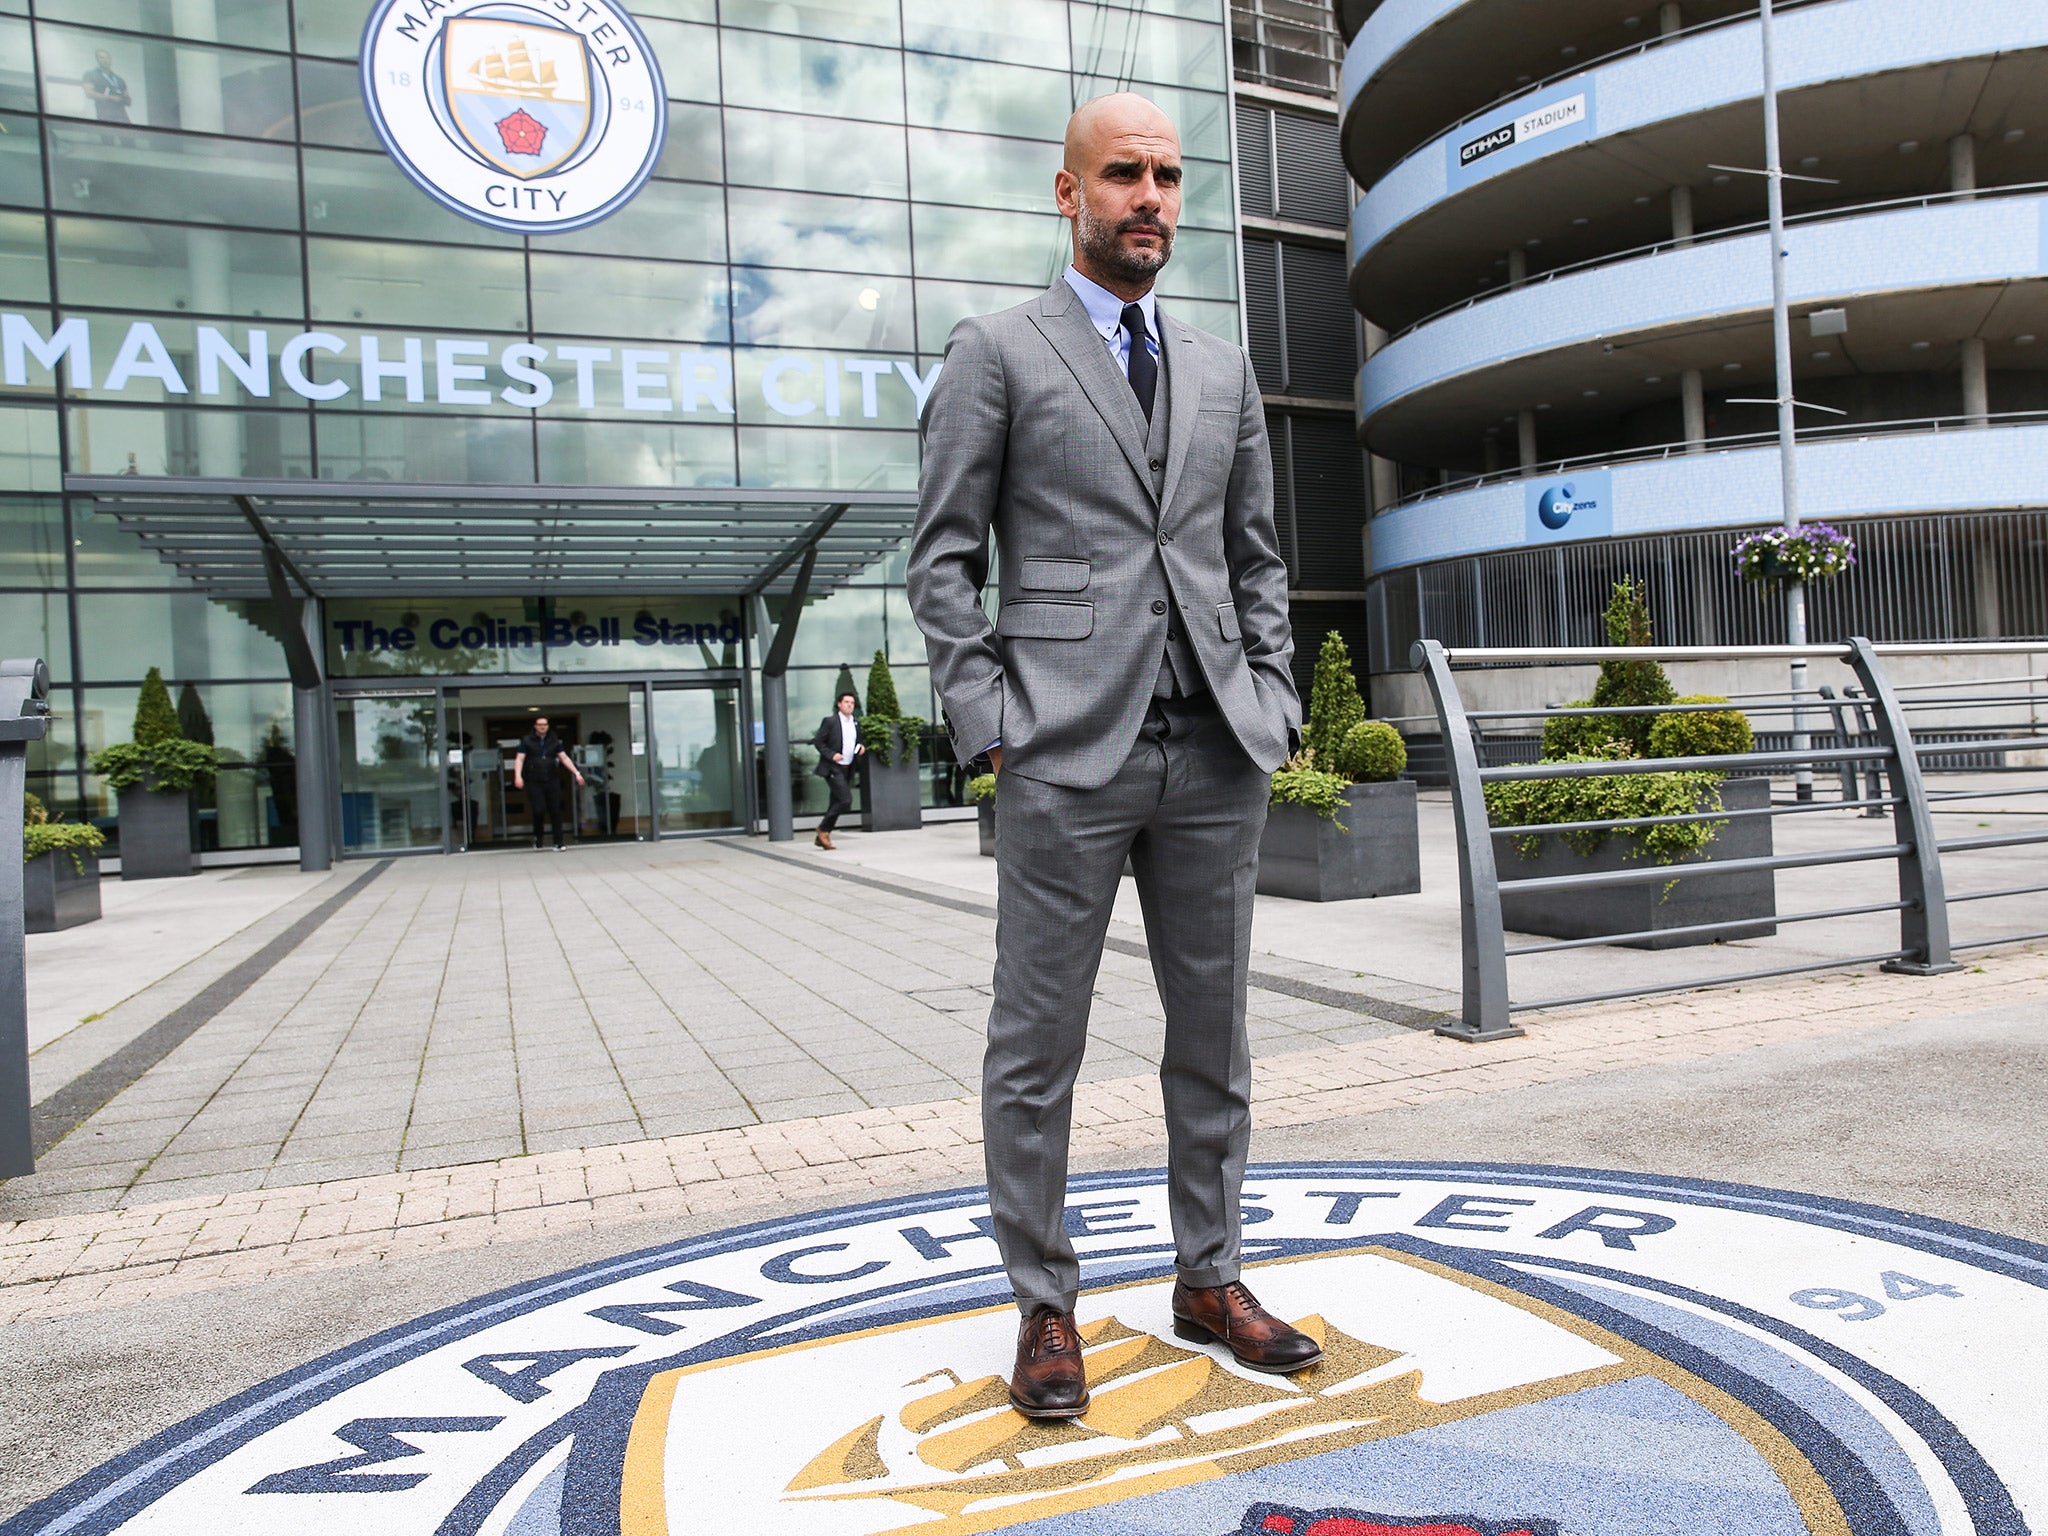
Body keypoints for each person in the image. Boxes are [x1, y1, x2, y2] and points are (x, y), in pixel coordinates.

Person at [906, 92, 1319, 1420]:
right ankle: (1044, 1303)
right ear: (1068, 192)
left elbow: (1256, 554)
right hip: (1064, 754)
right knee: (1038, 1048)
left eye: (1169, 177)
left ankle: (1212, 1276)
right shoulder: (997, 350)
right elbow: (944, 562)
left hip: (1213, 749)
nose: (1151, 197)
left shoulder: (1220, 367)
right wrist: (992, 729)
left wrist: (1273, 694)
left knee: (1216, 1036)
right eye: (1124, 175)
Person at [513, 715, 584, 851]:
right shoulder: (527, 741)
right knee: (538, 810)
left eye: (545, 724)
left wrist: (577, 773)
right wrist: (518, 776)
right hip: (534, 780)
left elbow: (564, 757)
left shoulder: (554, 740)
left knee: (555, 810)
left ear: (548, 726)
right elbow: (520, 759)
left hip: (552, 779)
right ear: (535, 726)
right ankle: (538, 838)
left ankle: (558, 842)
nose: (542, 726)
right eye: (540, 724)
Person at [810, 690, 863, 850]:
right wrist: (832, 755)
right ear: (839, 704)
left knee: (836, 801)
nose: (849, 705)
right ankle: (823, 829)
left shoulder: (856, 723)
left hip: (848, 767)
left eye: (852, 703)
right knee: (845, 800)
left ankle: (823, 836)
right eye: (846, 702)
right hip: (833, 767)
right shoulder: (830, 721)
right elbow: (818, 741)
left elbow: (858, 740)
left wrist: (861, 748)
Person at [82, 49, 132, 124]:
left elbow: (128, 100)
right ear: (97, 60)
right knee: (108, 134)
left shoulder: (119, 79)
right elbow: (89, 94)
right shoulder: (90, 74)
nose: (105, 60)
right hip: (105, 116)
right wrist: (110, 97)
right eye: (102, 58)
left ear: (111, 59)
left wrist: (124, 99)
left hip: (122, 117)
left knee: (128, 135)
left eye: (107, 57)